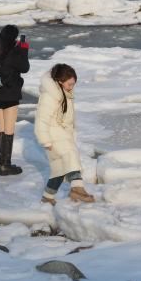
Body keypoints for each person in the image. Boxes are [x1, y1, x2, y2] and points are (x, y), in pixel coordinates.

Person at [34, 63, 94, 205]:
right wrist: (45, 140)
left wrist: (71, 134)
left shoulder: (65, 93)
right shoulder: (50, 96)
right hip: (53, 134)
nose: (72, 87)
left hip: (63, 134)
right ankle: (77, 189)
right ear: (60, 81)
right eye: (69, 84)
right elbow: (41, 120)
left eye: (73, 84)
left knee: (60, 168)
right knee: (71, 155)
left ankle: (48, 197)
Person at [0, 24, 29, 176]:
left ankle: (0, 164)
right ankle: (6, 165)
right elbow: (25, 68)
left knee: (1, 126)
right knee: (9, 128)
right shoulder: (15, 51)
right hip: (10, 92)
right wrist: (24, 50)